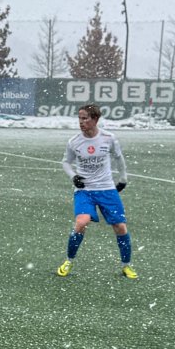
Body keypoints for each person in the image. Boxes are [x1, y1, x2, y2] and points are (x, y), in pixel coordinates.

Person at [57, 103, 137, 279]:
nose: (81, 122)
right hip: (84, 190)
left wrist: (123, 179)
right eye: (79, 118)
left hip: (107, 189)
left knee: (120, 227)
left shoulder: (109, 138)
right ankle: (68, 260)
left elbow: (119, 158)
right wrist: (73, 177)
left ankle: (126, 265)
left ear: (95, 119)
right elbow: (65, 162)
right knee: (81, 222)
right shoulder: (74, 142)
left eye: (85, 118)